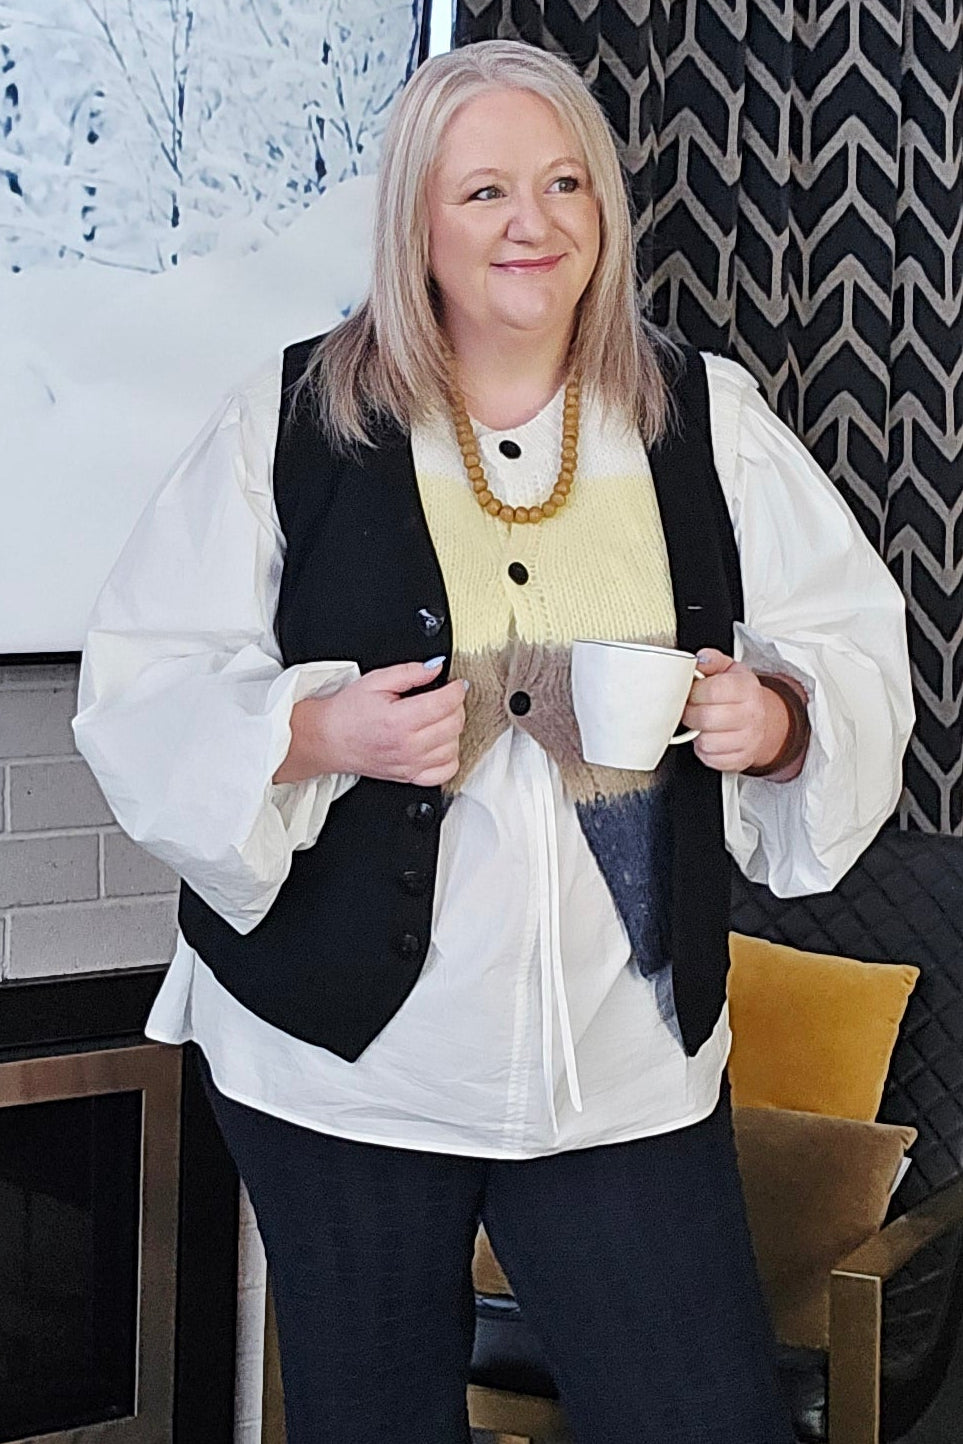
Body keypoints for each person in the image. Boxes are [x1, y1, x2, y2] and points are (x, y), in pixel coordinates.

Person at [73, 39, 913, 1444]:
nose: (534, 222)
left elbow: (849, 644)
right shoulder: (290, 417)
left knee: (699, 1418)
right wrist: (316, 728)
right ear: (416, 219)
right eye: (484, 192)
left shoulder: (704, 415)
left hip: (618, 1058)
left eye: (566, 183)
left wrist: (774, 722)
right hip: (346, 1062)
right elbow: (143, 681)